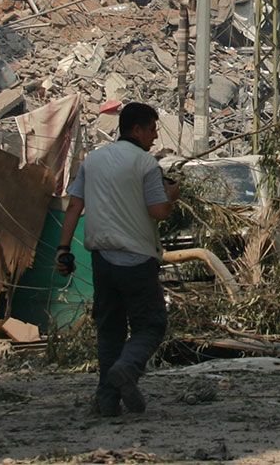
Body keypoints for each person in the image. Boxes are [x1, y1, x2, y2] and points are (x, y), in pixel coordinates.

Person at [56, 101, 180, 417]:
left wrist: (63, 249)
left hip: (101, 259)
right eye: (152, 129)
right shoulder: (146, 165)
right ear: (136, 129)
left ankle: (107, 400)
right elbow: (158, 212)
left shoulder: (93, 161)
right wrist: (172, 197)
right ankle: (127, 367)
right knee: (151, 325)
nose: (155, 136)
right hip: (138, 259)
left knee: (110, 330)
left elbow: (73, 207)